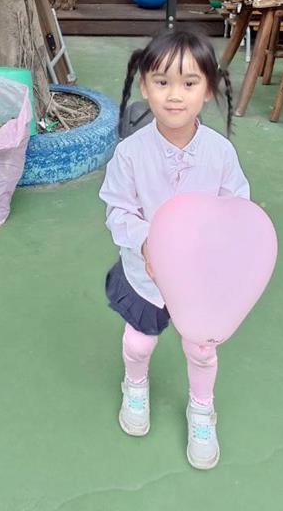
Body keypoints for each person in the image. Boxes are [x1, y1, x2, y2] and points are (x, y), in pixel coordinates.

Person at [99, 28, 250, 470]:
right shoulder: (130, 153)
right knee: (139, 341)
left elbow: (236, 208)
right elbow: (118, 209)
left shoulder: (220, 153)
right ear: (145, 87)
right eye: (162, 82)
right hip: (146, 275)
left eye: (189, 82)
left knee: (201, 349)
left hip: (200, 280)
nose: (175, 95)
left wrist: (222, 247)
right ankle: (135, 385)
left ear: (208, 89)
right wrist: (146, 240)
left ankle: (202, 408)